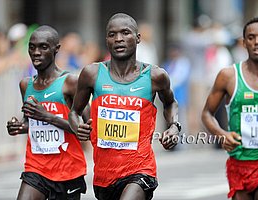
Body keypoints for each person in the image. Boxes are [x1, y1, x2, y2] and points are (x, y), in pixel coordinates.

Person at [68, 13, 180, 200]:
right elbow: (74, 113)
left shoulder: (155, 76)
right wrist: (77, 127)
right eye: (112, 34)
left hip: (140, 169)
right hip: (104, 175)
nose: (118, 39)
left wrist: (174, 127)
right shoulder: (91, 74)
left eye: (125, 33)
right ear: (106, 40)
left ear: (137, 38)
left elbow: (170, 103)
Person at [6, 25, 89, 200]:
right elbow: (30, 122)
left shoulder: (70, 82)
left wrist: (47, 116)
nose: (36, 52)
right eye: (32, 47)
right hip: (36, 167)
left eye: (43, 47)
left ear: (56, 49)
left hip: (67, 170)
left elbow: (86, 130)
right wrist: (19, 126)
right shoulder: (25, 85)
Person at [202, 17, 258, 199]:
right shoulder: (228, 76)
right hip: (239, 164)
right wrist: (221, 134)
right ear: (243, 42)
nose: (257, 42)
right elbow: (207, 113)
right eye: (251, 37)